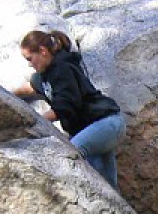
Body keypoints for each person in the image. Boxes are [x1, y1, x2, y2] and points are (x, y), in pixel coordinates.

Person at [14, 29, 126, 189]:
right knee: (106, 185)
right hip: (93, 129)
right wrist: (5, 93)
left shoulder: (62, 69)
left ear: (43, 51)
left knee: (69, 155)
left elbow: (64, 107)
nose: (29, 64)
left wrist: (33, 122)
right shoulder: (45, 73)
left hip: (106, 124)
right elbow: (31, 87)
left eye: (30, 59)